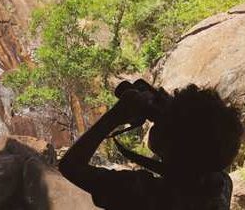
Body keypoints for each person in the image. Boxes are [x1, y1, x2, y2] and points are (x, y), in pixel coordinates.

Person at [59, 79, 243, 210]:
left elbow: (70, 166)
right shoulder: (219, 185)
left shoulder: (146, 195)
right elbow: (193, 159)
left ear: (172, 143)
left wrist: (115, 116)